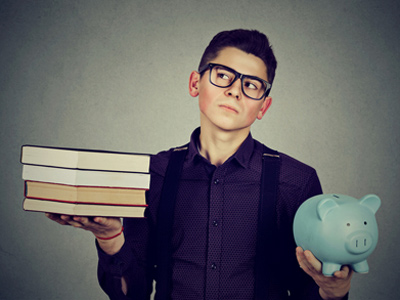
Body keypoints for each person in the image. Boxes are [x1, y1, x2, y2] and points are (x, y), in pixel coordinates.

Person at [47, 29, 353, 299]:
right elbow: (133, 294)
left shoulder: (297, 182)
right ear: (196, 83)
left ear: (263, 106)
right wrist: (110, 236)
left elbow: (310, 290)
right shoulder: (154, 174)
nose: (235, 90)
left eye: (252, 85)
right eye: (223, 75)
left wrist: (333, 291)